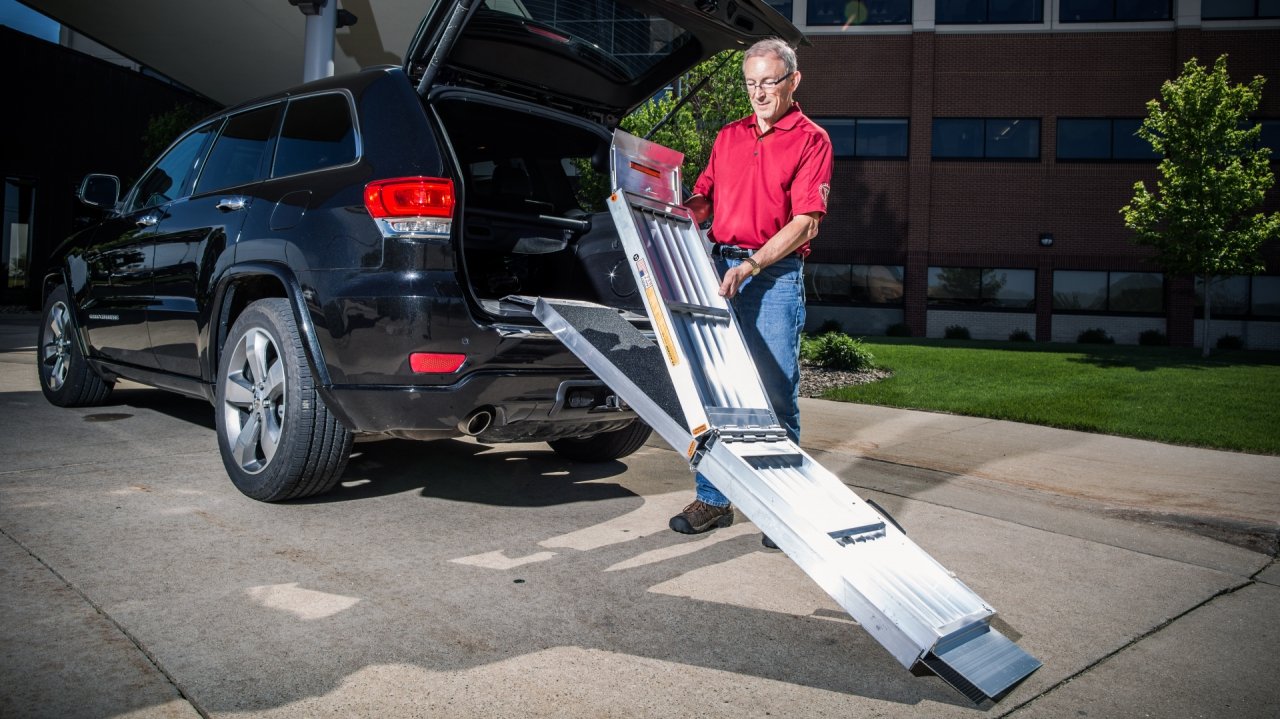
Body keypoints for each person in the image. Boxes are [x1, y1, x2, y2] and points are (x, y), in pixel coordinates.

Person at [668, 39, 833, 544]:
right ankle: (715, 501)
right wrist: (664, 206)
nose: (758, 93)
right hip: (718, 269)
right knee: (712, 391)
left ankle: (780, 508)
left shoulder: (811, 140)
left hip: (773, 278)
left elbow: (806, 224)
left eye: (769, 82)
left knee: (774, 394)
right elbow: (704, 199)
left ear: (793, 81)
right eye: (750, 83)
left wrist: (755, 264)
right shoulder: (728, 136)